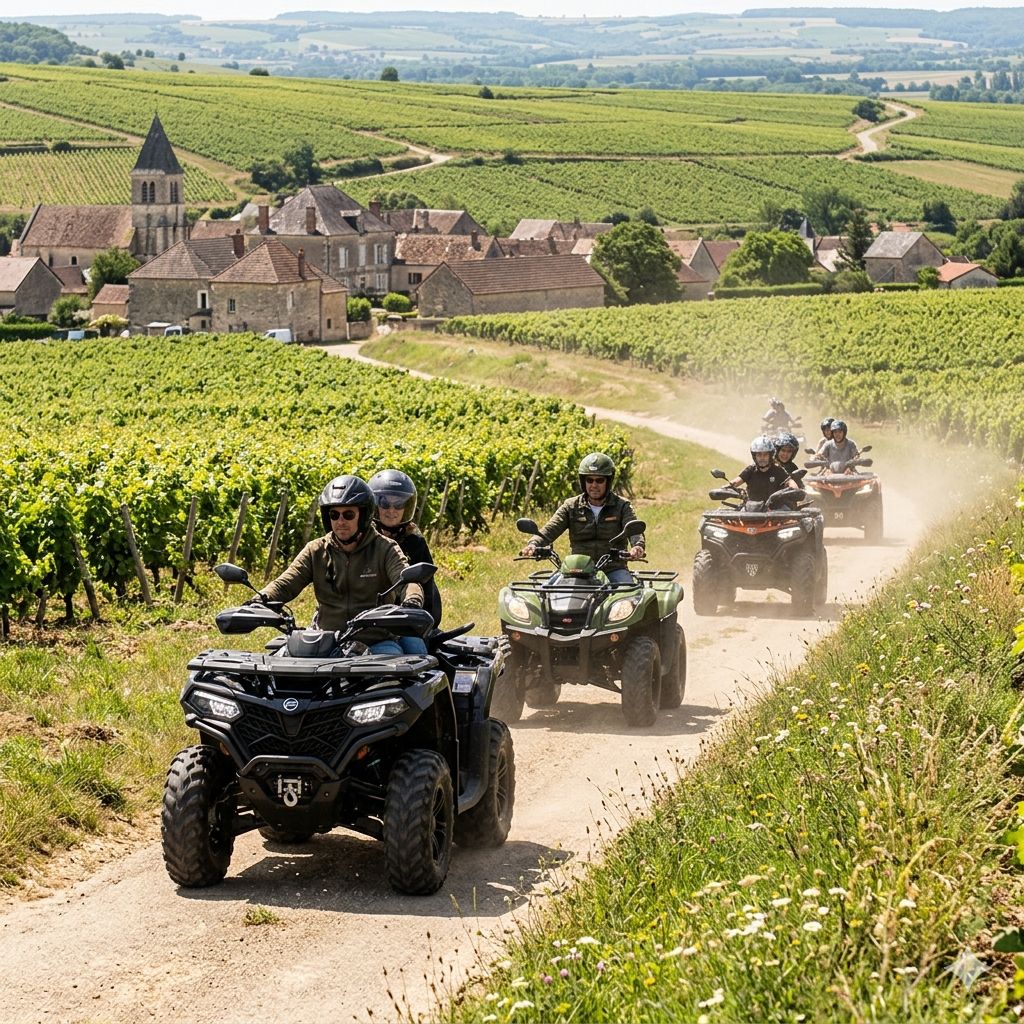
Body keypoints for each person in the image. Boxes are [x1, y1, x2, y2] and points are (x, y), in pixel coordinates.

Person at [255, 475, 427, 655]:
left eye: (348, 514)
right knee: (281, 671)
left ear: (364, 515)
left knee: (394, 670)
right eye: (334, 515)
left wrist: (412, 601)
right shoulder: (316, 550)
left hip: (375, 641)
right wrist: (259, 601)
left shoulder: (385, 548)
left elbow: (407, 580)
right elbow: (285, 584)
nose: (340, 521)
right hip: (325, 641)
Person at [519, 452, 644, 584]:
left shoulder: (621, 505)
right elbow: (549, 530)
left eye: (599, 480)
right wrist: (533, 544)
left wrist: (637, 546)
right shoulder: (571, 506)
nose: (594, 485)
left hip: (613, 569)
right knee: (546, 594)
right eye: (589, 480)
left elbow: (634, 529)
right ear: (583, 482)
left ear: (608, 481)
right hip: (577, 569)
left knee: (627, 595)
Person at [368, 468, 442, 627]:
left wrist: (417, 617)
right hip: (366, 618)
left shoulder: (414, 541)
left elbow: (426, 588)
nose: (391, 510)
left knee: (416, 648)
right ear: (374, 505)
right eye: (384, 503)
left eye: (399, 503)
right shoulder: (364, 539)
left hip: (405, 618)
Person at [731, 436, 799, 504]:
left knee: (788, 510)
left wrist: (796, 490)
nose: (762, 458)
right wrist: (724, 489)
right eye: (759, 455)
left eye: (765, 455)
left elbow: (789, 481)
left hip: (775, 509)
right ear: (754, 456)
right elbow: (735, 482)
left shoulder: (778, 470)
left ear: (770, 455)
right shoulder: (750, 470)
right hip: (751, 509)